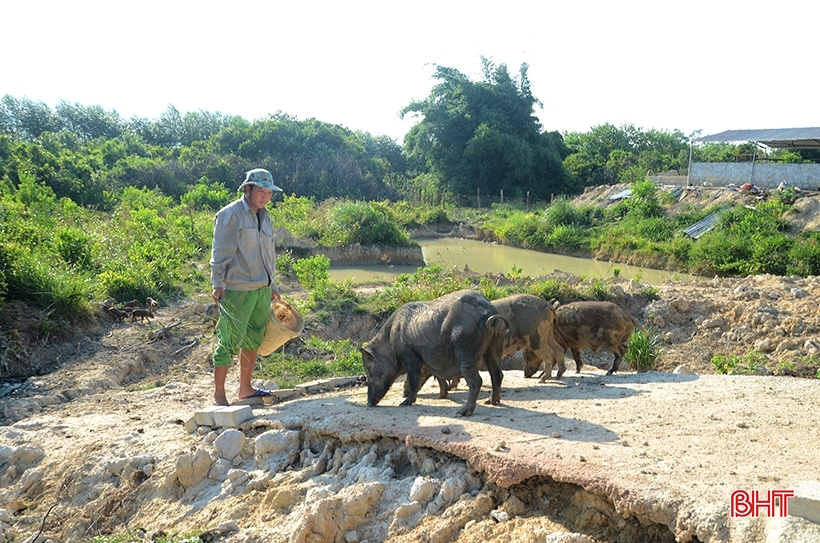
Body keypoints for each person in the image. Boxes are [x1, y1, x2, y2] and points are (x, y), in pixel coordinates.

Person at [210, 168, 283, 406]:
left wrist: (272, 285)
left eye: (268, 192)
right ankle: (219, 395)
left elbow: (268, 253)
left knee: (253, 339)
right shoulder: (231, 215)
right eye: (260, 191)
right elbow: (221, 251)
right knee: (229, 341)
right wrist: (218, 283)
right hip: (238, 289)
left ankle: (245, 389)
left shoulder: (266, 216)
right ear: (247, 189)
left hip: (261, 289)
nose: (265, 196)